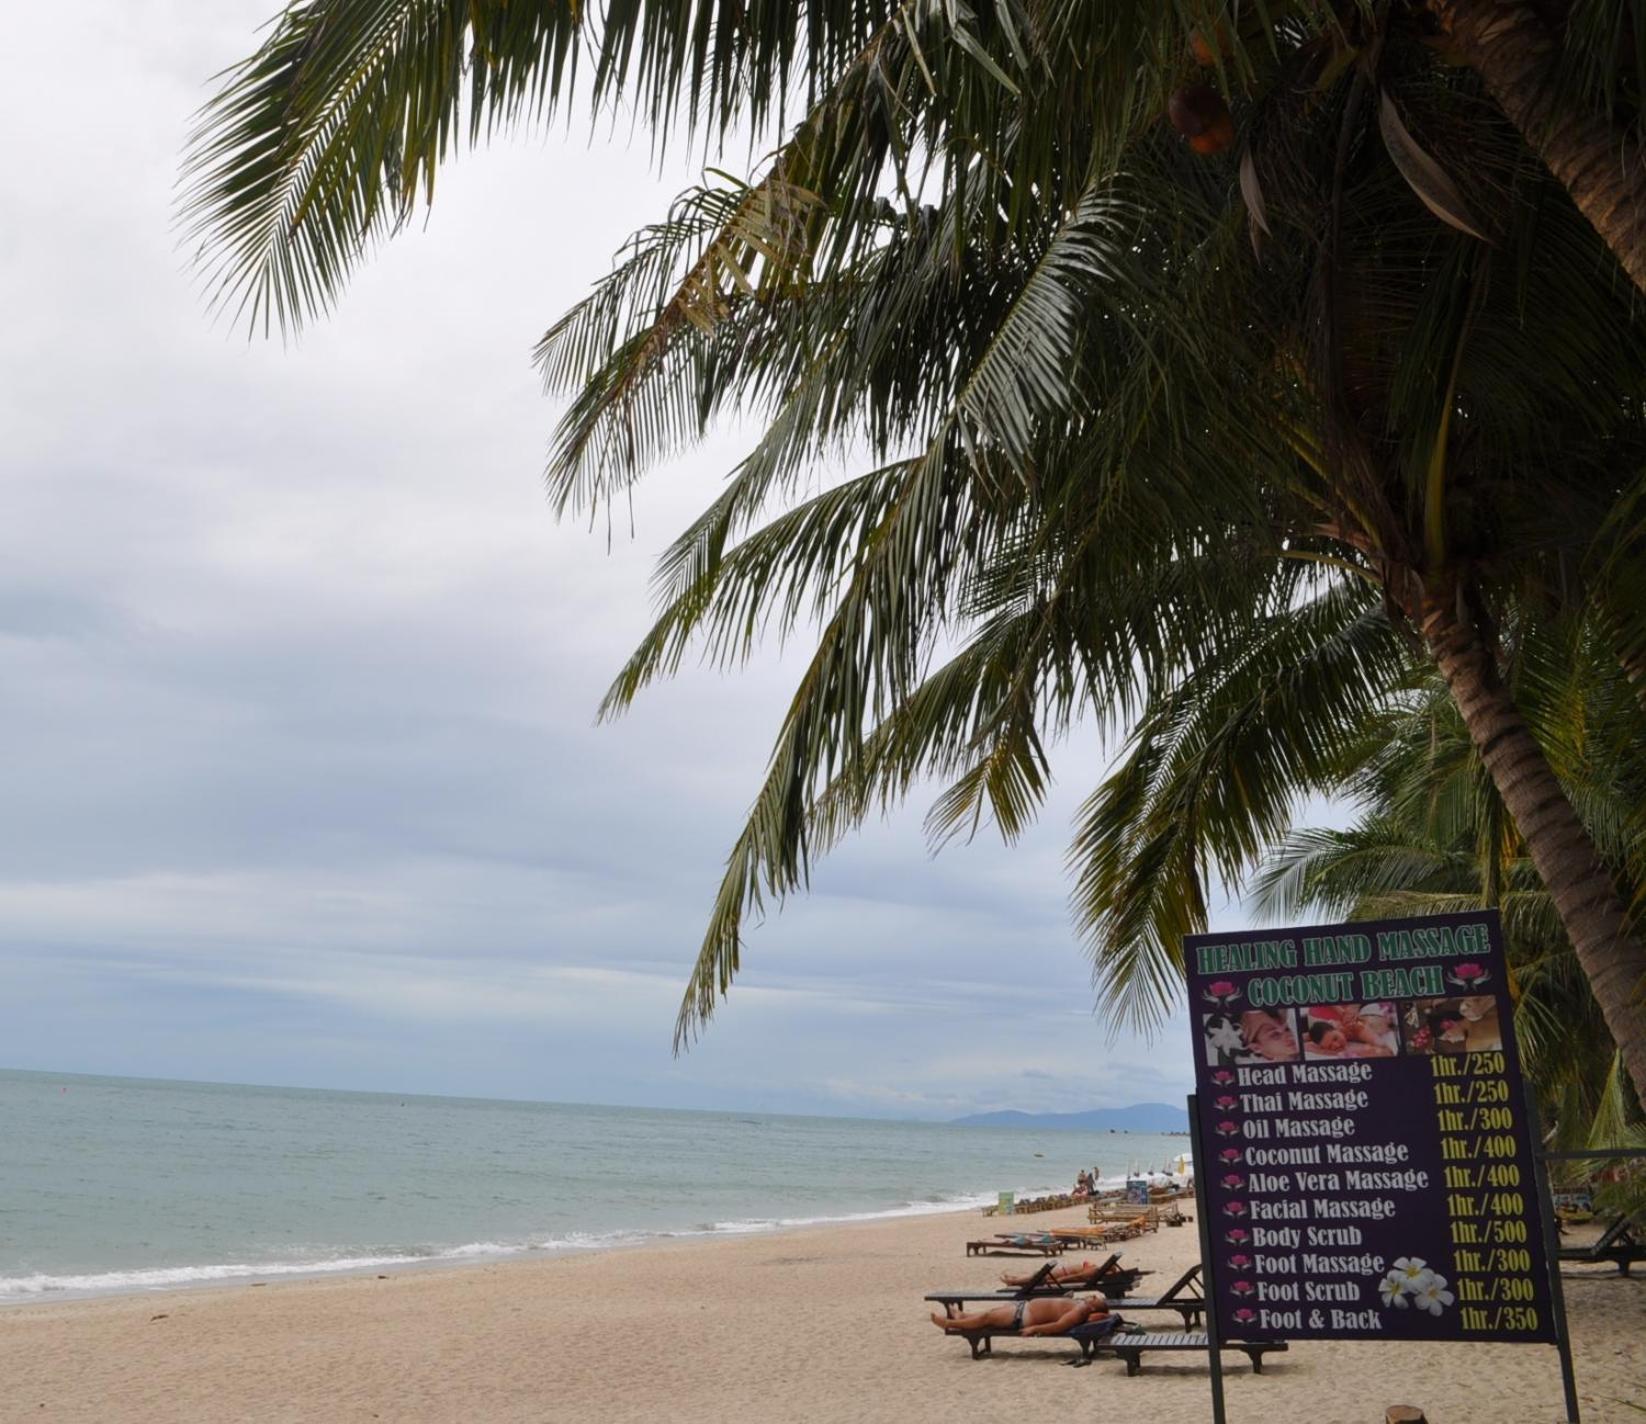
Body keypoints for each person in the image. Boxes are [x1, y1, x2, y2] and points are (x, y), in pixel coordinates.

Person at [931, 1295, 1108, 1336]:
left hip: (1024, 1317)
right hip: (1024, 1309)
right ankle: (963, 1316)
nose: (1092, 1296)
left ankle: (949, 1324)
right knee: (990, 1314)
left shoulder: (1079, 1311)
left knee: (986, 1318)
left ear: (1092, 1307)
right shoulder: (1080, 1305)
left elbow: (1059, 1326)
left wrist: (1034, 1328)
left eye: (1095, 1299)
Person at [999, 1259, 1116, 1289]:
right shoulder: (1099, 1271)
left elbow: (1078, 1276)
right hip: (1064, 1272)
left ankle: (1013, 1281)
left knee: (1039, 1276)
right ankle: (1016, 1279)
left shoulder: (1096, 1271)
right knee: (1039, 1275)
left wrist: (1062, 1279)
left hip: (1063, 1273)